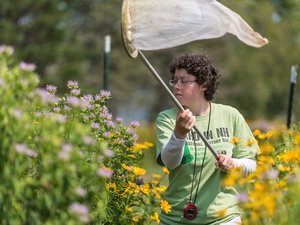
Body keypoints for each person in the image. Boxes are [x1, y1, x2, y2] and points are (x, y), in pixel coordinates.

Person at [156, 52, 260, 225]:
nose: (177, 86)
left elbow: (252, 164)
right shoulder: (167, 118)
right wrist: (179, 134)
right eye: (175, 80)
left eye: (184, 81)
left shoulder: (230, 115)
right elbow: (170, 162)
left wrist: (233, 164)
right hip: (174, 219)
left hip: (223, 218)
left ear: (204, 84)